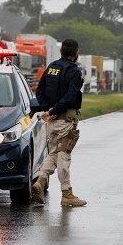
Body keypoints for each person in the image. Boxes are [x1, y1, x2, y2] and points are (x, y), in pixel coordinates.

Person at [32, 39, 87, 207]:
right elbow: (71, 96)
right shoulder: (74, 72)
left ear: (61, 51)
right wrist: (55, 110)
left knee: (54, 153)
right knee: (64, 155)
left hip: (50, 121)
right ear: (76, 53)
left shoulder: (51, 68)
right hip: (65, 120)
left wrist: (48, 110)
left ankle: (40, 180)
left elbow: (39, 90)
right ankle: (67, 193)